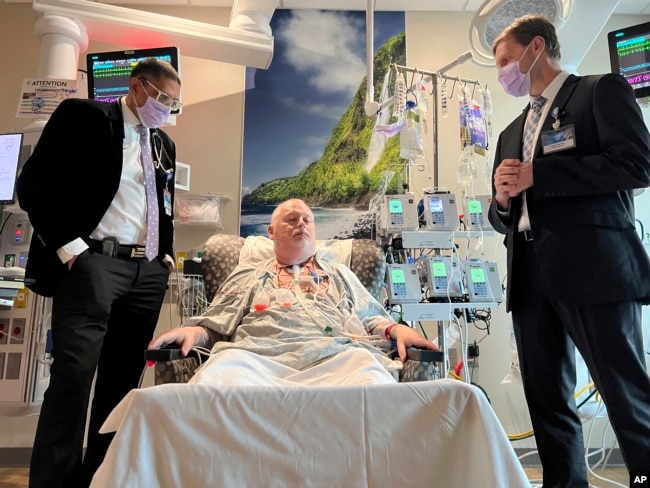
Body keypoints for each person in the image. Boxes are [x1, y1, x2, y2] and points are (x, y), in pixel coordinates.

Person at [488, 14, 650, 487]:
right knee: (548, 404)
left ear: (536, 47)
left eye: (504, 61)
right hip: (530, 276)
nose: (502, 73)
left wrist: (545, 175)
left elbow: (637, 165)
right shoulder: (510, 134)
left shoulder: (599, 92)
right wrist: (500, 199)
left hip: (595, 268)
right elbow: (504, 218)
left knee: (626, 395)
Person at [16, 58, 181, 488]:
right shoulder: (85, 117)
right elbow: (34, 184)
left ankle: (102, 479)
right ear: (137, 86)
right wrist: (71, 250)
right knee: (72, 379)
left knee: (121, 386)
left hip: (144, 275)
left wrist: (165, 256)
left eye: (174, 104)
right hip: (93, 266)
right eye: (162, 98)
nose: (166, 109)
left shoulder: (164, 144)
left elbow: (162, 204)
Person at [149, 198, 437, 386]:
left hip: (339, 360)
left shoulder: (340, 274)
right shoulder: (248, 273)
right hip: (253, 362)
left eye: (307, 220)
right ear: (271, 232)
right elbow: (216, 327)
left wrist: (399, 330)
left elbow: (372, 321)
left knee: (373, 383)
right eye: (291, 219)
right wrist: (192, 332)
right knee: (214, 386)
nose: (301, 223)